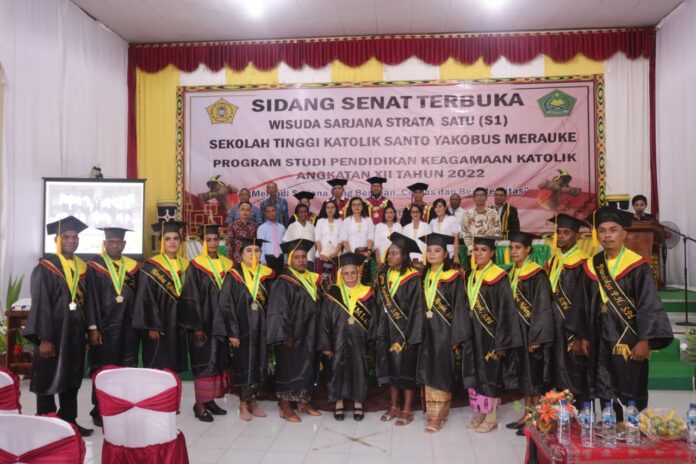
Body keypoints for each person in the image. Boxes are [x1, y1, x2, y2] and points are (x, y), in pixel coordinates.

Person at [566, 207, 673, 420]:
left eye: (613, 230)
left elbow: (649, 304)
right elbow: (581, 304)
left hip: (629, 338)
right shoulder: (591, 266)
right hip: (598, 336)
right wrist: (582, 335)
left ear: (624, 234)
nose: (607, 235)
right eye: (602, 230)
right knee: (602, 380)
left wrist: (645, 340)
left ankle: (630, 427)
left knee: (629, 382)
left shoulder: (637, 266)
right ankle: (609, 425)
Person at [25, 215, 93, 436]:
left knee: (72, 378)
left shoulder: (82, 267)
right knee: (48, 377)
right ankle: (47, 422)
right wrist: (44, 338)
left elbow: (88, 303)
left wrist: (89, 330)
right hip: (52, 334)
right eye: (66, 237)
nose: (71, 240)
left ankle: (69, 421)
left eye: (75, 237)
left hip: (75, 334)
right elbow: (40, 304)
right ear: (57, 239)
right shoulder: (46, 268)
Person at [416, 233, 472, 433]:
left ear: (445, 254)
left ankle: (437, 416)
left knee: (440, 371)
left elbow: (459, 307)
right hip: (426, 331)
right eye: (429, 250)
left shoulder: (452, 277)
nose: (432, 254)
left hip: (444, 332)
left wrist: (456, 336)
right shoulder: (424, 275)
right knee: (427, 369)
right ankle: (433, 412)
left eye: (437, 250)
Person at [466, 236, 522, 433]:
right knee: (477, 374)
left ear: (492, 253)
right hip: (474, 333)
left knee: (490, 374)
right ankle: (481, 412)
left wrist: (502, 341)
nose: (479, 253)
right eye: (476, 249)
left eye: (483, 250)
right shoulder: (471, 274)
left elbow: (506, 310)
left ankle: (491, 417)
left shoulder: (498, 276)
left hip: (491, 334)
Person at [85, 227, 140, 427]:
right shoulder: (94, 267)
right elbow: (90, 299)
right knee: (104, 370)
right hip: (104, 328)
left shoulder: (133, 267)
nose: (115, 245)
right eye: (111, 242)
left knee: (126, 369)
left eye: (119, 242)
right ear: (105, 244)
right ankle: (99, 409)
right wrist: (93, 328)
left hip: (128, 327)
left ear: (124, 244)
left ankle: (122, 407)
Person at [215, 237, 275, 421]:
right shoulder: (234, 275)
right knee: (244, 364)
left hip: (262, 328)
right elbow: (226, 305)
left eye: (257, 250)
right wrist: (232, 332)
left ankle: (253, 401)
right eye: (249, 250)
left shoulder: (267, 275)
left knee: (259, 363)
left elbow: (274, 304)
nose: (253, 254)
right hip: (242, 329)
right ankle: (243, 403)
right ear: (240, 254)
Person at [180, 224, 234, 422]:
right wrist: (196, 326)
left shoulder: (228, 264)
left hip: (222, 323)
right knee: (203, 363)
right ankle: (199, 404)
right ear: (203, 243)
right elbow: (190, 297)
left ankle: (210, 400)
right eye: (208, 240)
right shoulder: (195, 265)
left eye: (215, 240)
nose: (212, 243)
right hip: (203, 322)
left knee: (217, 362)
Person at [266, 239, 323, 422]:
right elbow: (279, 310)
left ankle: (303, 402)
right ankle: (285, 406)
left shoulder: (311, 278)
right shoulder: (283, 281)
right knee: (288, 368)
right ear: (290, 260)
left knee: (307, 366)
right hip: (291, 334)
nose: (301, 260)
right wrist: (284, 335)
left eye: (304, 257)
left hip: (309, 332)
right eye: (297, 257)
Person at [505, 231, 554, 436]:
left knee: (534, 377)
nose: (513, 251)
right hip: (517, 333)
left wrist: (537, 337)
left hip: (531, 334)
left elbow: (543, 307)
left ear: (528, 250)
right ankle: (527, 415)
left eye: (518, 248)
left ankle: (537, 419)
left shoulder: (537, 274)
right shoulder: (511, 272)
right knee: (525, 377)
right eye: (511, 247)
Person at [319, 252, 378, 421]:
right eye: (346, 273)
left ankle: (358, 401)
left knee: (359, 369)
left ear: (358, 273)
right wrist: (326, 345)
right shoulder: (333, 293)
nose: (350, 276)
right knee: (337, 370)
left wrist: (371, 345)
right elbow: (324, 320)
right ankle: (338, 401)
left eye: (353, 273)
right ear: (341, 275)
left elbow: (374, 320)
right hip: (337, 340)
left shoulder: (367, 293)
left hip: (360, 341)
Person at [375, 233, 423, 427]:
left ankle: (407, 409)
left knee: (406, 370)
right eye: (389, 253)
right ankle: (394, 406)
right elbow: (378, 304)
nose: (390, 256)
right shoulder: (383, 276)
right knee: (390, 368)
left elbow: (417, 308)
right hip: (386, 329)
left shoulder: (412, 278)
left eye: (395, 253)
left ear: (404, 256)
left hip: (405, 332)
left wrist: (412, 336)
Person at [133, 221, 189, 373]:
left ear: (180, 242)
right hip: (159, 326)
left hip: (178, 323)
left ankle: (172, 388)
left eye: (176, 238)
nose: (172, 242)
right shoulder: (150, 267)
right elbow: (145, 297)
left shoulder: (186, 265)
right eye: (167, 239)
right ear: (161, 242)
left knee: (174, 363)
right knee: (157, 362)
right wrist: (152, 325)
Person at [546, 214, 591, 405]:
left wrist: (580, 336)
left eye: (566, 232)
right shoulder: (554, 260)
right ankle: (558, 413)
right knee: (556, 369)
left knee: (574, 371)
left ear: (577, 236)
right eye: (559, 232)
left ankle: (580, 413)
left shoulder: (583, 263)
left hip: (572, 329)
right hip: (554, 326)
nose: (561, 236)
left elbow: (585, 303)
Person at [314, 199, 343, 288]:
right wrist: (321, 253)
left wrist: (335, 253)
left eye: (332, 207)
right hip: (322, 255)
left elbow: (341, 240)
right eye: (328, 207)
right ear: (325, 209)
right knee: (320, 281)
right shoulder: (320, 221)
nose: (330, 210)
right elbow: (317, 239)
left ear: (336, 209)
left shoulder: (340, 222)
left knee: (333, 280)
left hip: (335, 256)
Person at [283, 203, 316, 270]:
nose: (303, 214)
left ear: (307, 213)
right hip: (296, 261)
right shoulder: (292, 226)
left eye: (305, 212)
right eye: (301, 212)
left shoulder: (312, 226)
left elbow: (316, 243)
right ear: (297, 214)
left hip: (310, 260)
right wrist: (287, 260)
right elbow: (287, 244)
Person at [257, 203, 287, 276]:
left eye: (273, 211)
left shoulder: (282, 227)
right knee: (269, 281)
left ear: (276, 212)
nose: (271, 213)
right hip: (268, 259)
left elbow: (284, 245)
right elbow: (260, 246)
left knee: (281, 280)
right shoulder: (262, 228)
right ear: (265, 214)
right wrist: (263, 261)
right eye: (268, 211)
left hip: (280, 259)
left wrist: (285, 260)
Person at [429, 198, 461, 263]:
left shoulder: (452, 219)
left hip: (449, 254)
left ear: (445, 208)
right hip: (437, 255)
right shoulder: (433, 221)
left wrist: (456, 256)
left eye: (440, 206)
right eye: (436, 207)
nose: (438, 209)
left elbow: (456, 239)